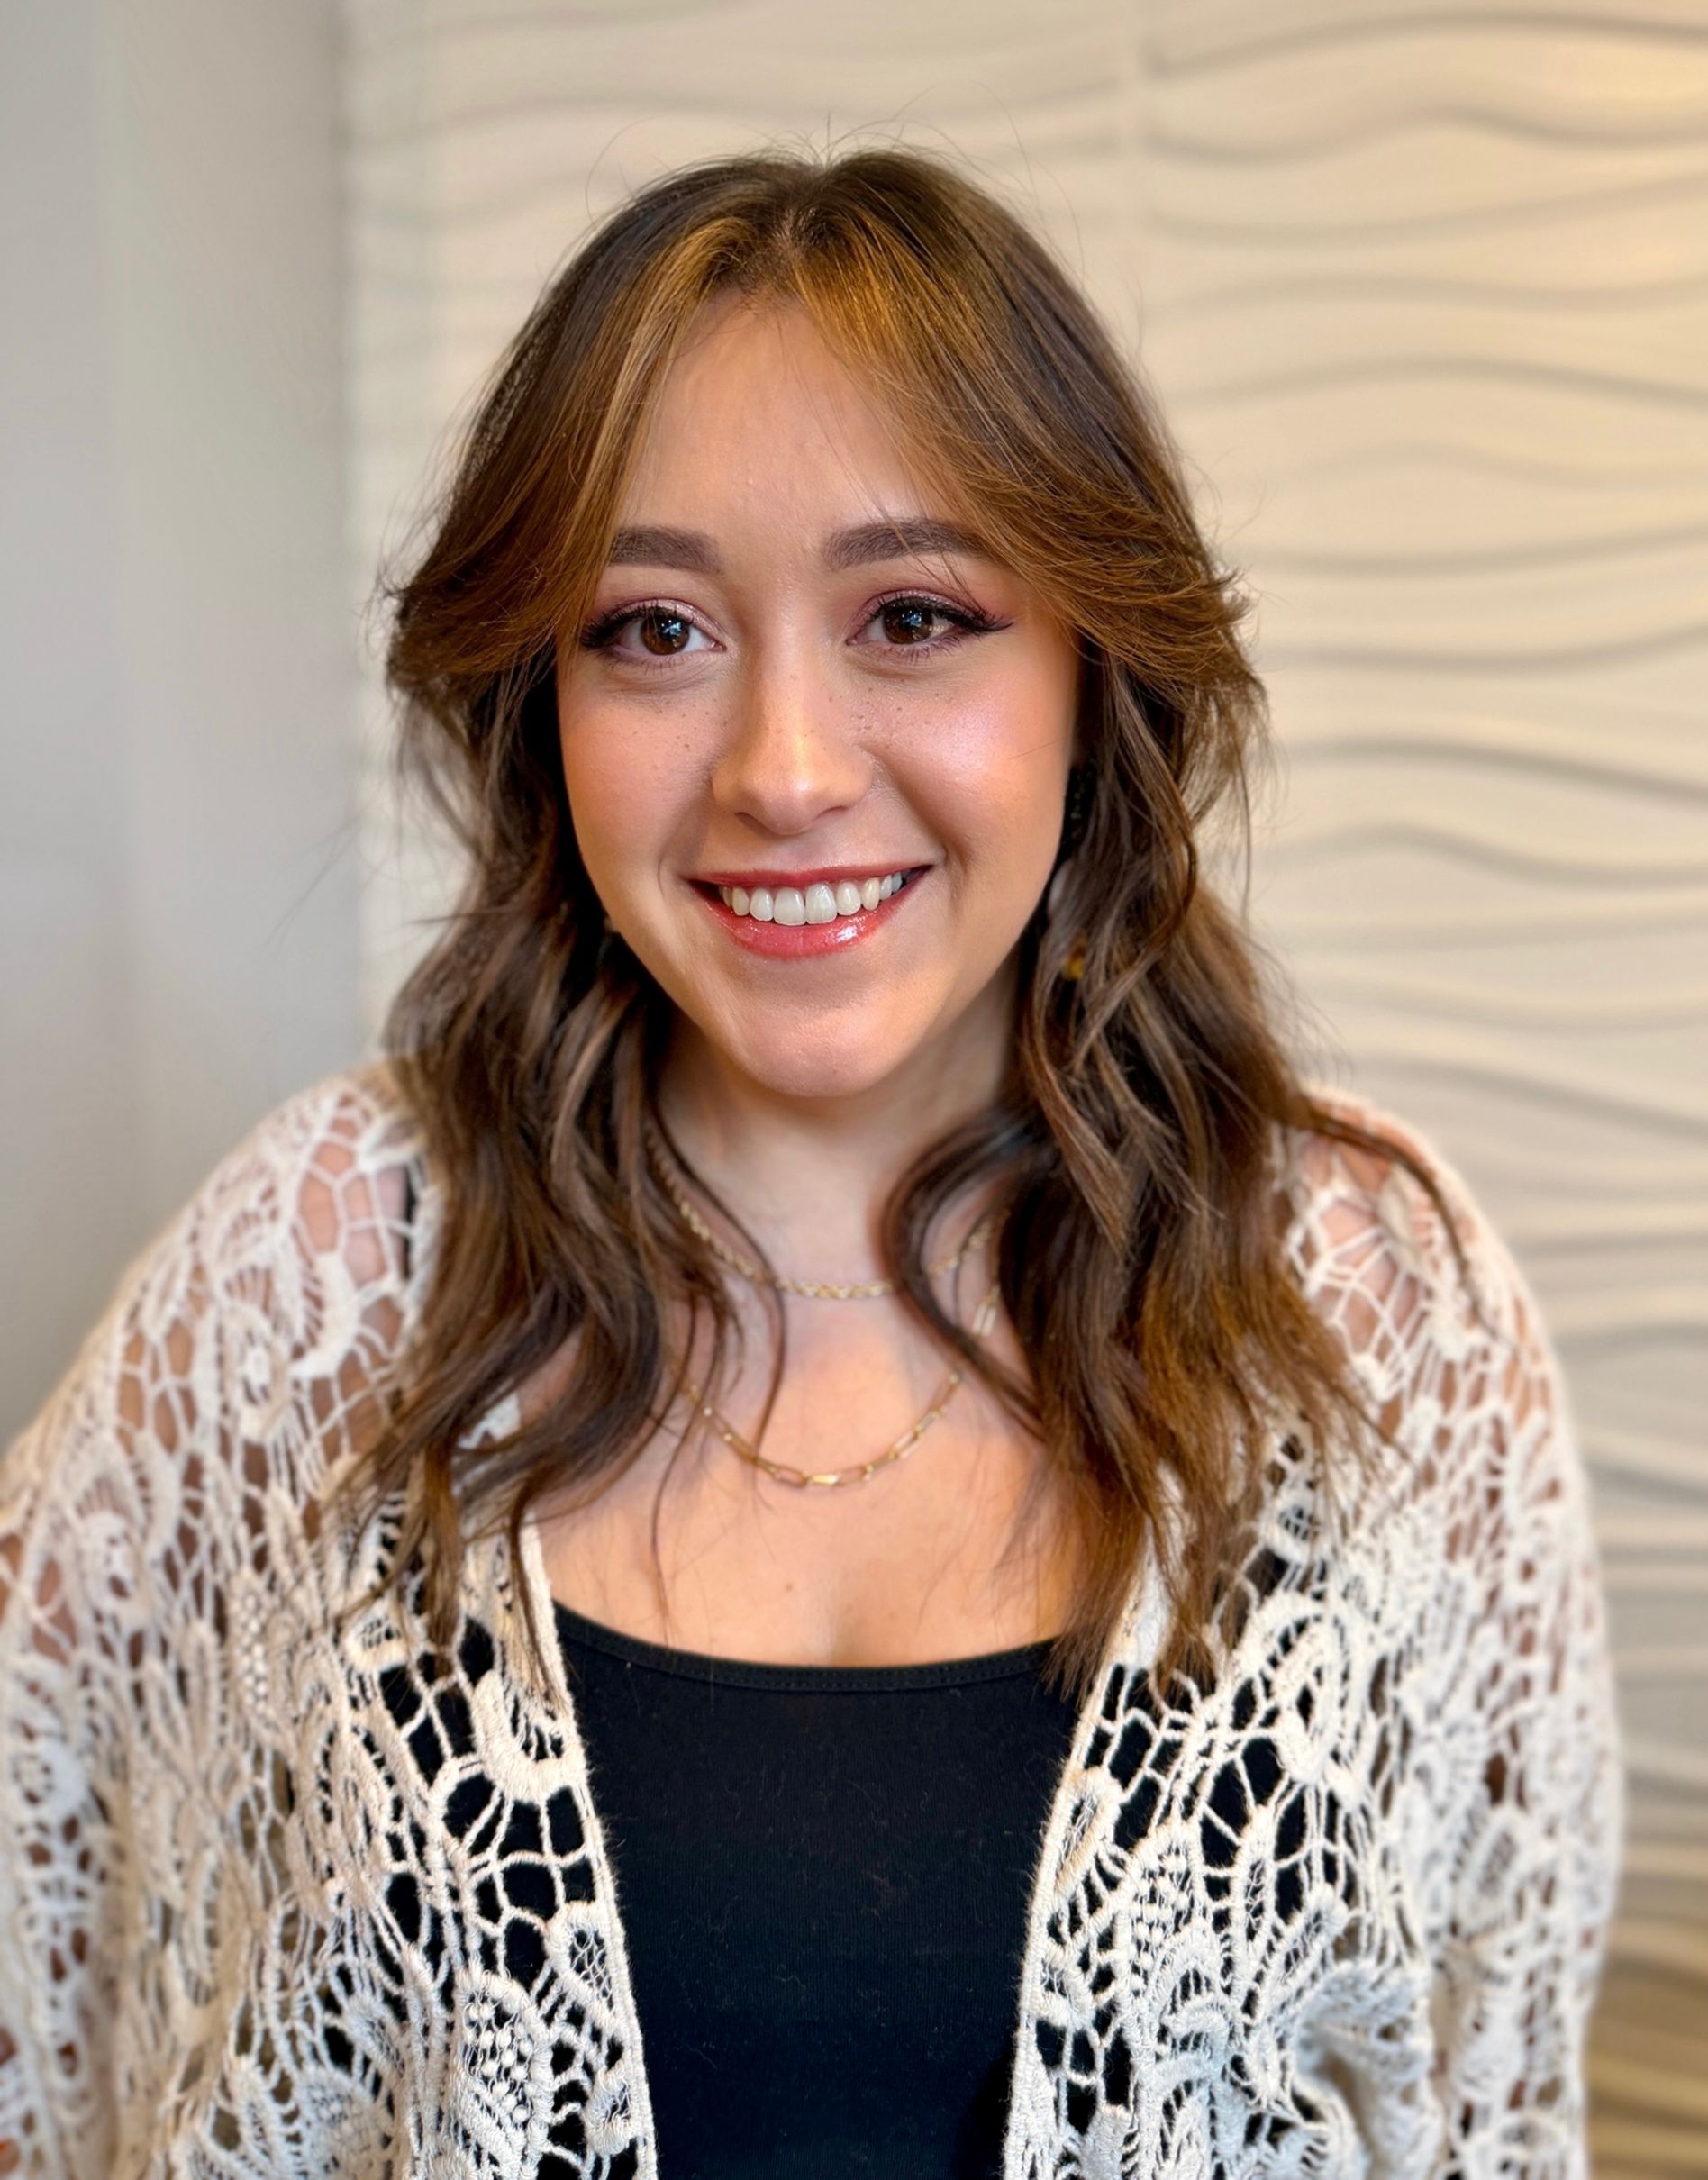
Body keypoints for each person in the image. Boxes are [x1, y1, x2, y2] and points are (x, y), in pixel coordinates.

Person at [0, 146, 1622, 2179]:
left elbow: (1492, 2099)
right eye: (654, 627)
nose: (779, 766)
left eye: (916, 615)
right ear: (543, 699)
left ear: (1089, 675)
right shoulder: (314, 1272)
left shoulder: (1384, 1305)